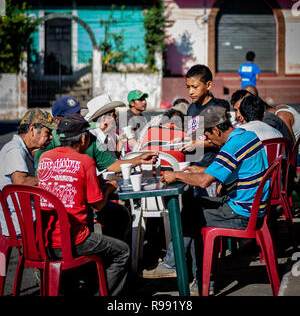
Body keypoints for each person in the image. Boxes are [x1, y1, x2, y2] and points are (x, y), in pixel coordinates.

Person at [144, 106, 270, 296]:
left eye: (208, 136)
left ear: (216, 130)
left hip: (243, 214)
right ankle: (176, 264)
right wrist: (203, 170)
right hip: (253, 208)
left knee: (192, 216)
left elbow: (204, 183)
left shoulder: (231, 145)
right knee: (193, 208)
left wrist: (177, 176)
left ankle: (197, 278)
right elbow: (225, 168)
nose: (208, 141)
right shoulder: (246, 135)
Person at [34, 96, 158, 242]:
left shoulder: (91, 138)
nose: (77, 118)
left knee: (120, 215)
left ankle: (102, 252)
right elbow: (41, 173)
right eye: (71, 116)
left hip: (88, 200)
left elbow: (111, 164)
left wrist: (138, 159)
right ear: (58, 121)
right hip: (62, 205)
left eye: (78, 114)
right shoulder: (50, 141)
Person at [37, 113, 130, 296]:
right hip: (74, 240)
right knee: (122, 252)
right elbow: (98, 206)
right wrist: (110, 187)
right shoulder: (85, 162)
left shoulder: (45, 158)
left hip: (45, 238)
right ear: (83, 138)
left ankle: (88, 281)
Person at [0, 108, 56, 236]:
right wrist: (50, 178)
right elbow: (21, 181)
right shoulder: (14, 150)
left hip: (26, 219)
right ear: (32, 129)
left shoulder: (23, 150)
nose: (51, 137)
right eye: (47, 132)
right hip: (20, 224)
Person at [180, 64, 230, 168]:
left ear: (208, 85)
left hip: (210, 165)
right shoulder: (191, 108)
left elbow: (224, 140)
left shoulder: (218, 106)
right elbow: (192, 134)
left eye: (195, 87)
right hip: (192, 162)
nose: (190, 92)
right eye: (188, 87)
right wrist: (181, 140)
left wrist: (199, 144)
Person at [84, 94, 126, 158]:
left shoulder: (107, 136)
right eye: (114, 115)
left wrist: (120, 142)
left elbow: (112, 160)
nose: (116, 118)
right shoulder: (92, 139)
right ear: (104, 119)